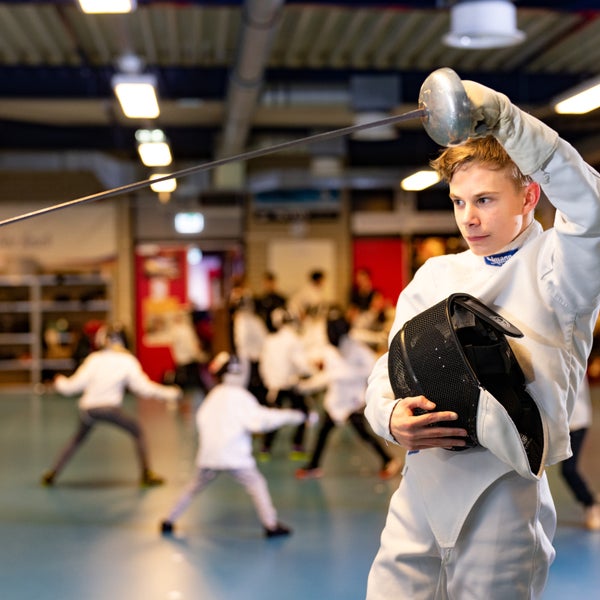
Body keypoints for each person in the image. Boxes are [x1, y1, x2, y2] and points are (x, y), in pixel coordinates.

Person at [363, 77, 600, 599]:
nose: (468, 217)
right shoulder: (434, 276)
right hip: (420, 486)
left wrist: (508, 120)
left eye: (486, 199)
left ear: (529, 194)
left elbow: (592, 212)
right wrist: (389, 419)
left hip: (505, 492)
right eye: (458, 201)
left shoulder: (558, 269)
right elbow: (388, 370)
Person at [160, 352, 305, 538]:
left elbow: (201, 421)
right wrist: (294, 416)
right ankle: (271, 525)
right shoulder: (242, 397)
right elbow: (260, 421)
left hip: (209, 457)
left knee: (193, 487)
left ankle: (168, 520)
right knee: (256, 484)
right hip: (236, 457)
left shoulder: (213, 396)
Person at [41, 325, 182, 487]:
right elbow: (143, 388)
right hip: (109, 409)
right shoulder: (127, 361)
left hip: (89, 410)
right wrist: (170, 393)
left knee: (77, 439)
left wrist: (59, 381)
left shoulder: (94, 359)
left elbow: (72, 387)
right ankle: (146, 474)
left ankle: (53, 473)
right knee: (137, 431)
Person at [295, 308, 402, 480]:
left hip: (353, 400)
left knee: (364, 434)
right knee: (323, 432)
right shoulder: (330, 350)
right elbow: (327, 375)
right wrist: (306, 385)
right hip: (336, 400)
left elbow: (372, 368)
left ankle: (389, 460)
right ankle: (314, 466)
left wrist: (347, 374)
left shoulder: (356, 348)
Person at [258, 308, 314, 460]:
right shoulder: (294, 340)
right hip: (290, 385)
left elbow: (263, 365)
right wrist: (313, 371)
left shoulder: (269, 340)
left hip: (273, 387)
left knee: (273, 416)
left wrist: (270, 382)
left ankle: (265, 448)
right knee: (303, 413)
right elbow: (301, 363)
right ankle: (297, 446)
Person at [560, 377, 600, 530]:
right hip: (564, 423)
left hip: (575, 423)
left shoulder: (569, 356)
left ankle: (590, 504)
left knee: (568, 469)